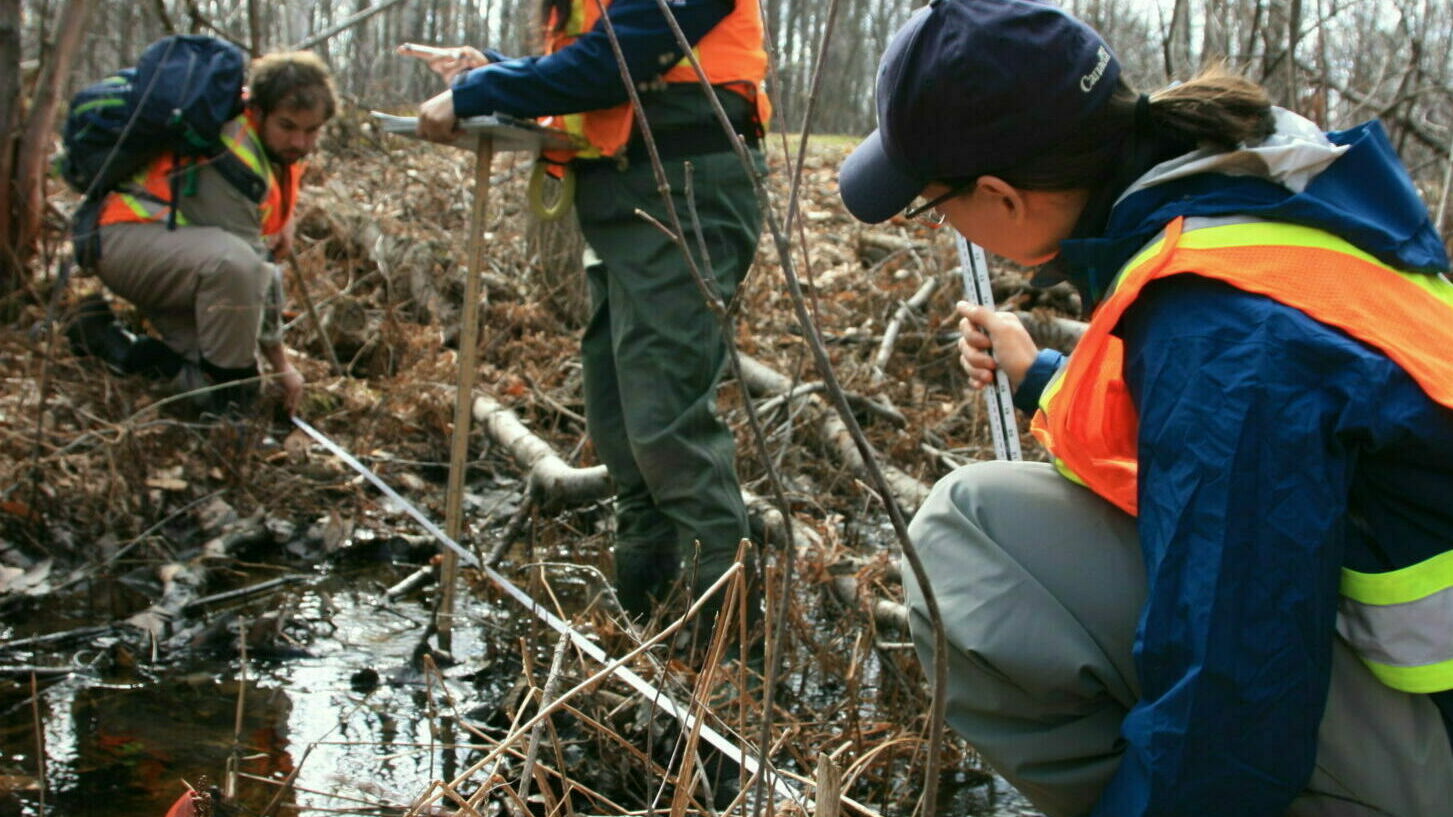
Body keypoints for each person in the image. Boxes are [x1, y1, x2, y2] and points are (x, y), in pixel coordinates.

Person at [838, 1, 1453, 815]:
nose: (943, 224)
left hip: (1432, 741)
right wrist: (1041, 374)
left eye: (931, 204)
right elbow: (1246, 439)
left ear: (1000, 196)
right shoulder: (1260, 192)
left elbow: (1233, 700)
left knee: (966, 532)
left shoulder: (1220, 337)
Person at [411, 0, 771, 632]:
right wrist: (495, 68)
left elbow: (620, 59)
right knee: (620, 422)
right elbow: (600, 58)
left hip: (681, 188)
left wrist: (479, 89)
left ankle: (729, 667)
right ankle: (645, 632)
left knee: (667, 428)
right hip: (625, 193)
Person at [70, 51, 336, 417]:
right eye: (288, 126)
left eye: (312, 130)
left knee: (200, 383)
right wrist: (281, 365)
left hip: (180, 252)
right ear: (257, 112)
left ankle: (105, 339)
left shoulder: (273, 150)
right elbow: (255, 269)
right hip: (125, 240)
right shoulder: (233, 153)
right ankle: (232, 406)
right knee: (236, 362)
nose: (300, 142)